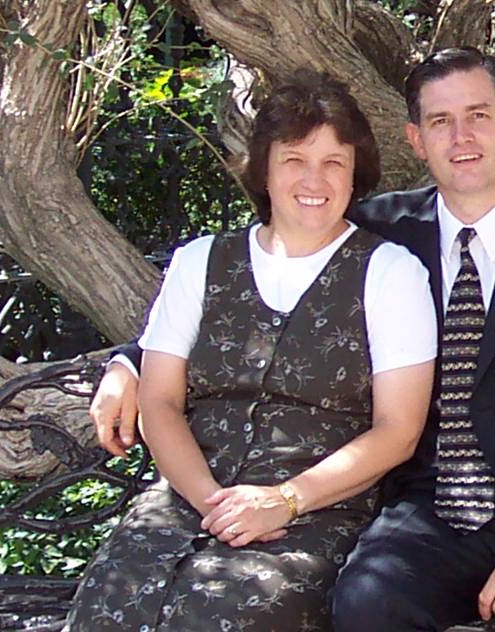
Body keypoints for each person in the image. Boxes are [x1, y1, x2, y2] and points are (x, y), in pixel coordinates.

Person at [93, 48, 495, 631]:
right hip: (432, 512)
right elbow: (271, 283)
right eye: (440, 121)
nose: (462, 137)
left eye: (478, 115)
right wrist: (132, 363)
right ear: (416, 139)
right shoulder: (378, 234)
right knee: (368, 605)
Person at [66, 70, 436, 631]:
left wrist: (282, 500)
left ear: (355, 173)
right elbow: (160, 402)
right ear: (264, 168)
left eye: (334, 162)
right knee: (107, 609)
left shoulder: (390, 273)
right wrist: (212, 503)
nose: (314, 179)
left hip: (313, 513)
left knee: (225, 616)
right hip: (184, 500)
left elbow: (398, 430)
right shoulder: (199, 262)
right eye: (294, 159)